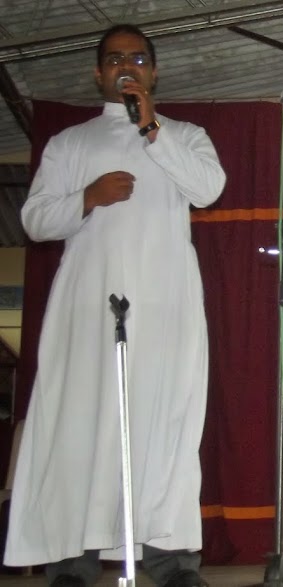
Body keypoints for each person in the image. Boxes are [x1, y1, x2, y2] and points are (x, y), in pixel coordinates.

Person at [4, 24, 226, 587]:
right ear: (98, 73)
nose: (127, 66)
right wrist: (87, 197)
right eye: (115, 59)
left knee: (166, 424)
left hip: (165, 307)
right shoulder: (70, 143)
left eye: (138, 58)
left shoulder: (184, 134)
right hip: (88, 307)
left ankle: (170, 560)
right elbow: (35, 220)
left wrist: (151, 128)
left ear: (154, 71)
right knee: (80, 426)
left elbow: (208, 189)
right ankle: (71, 561)